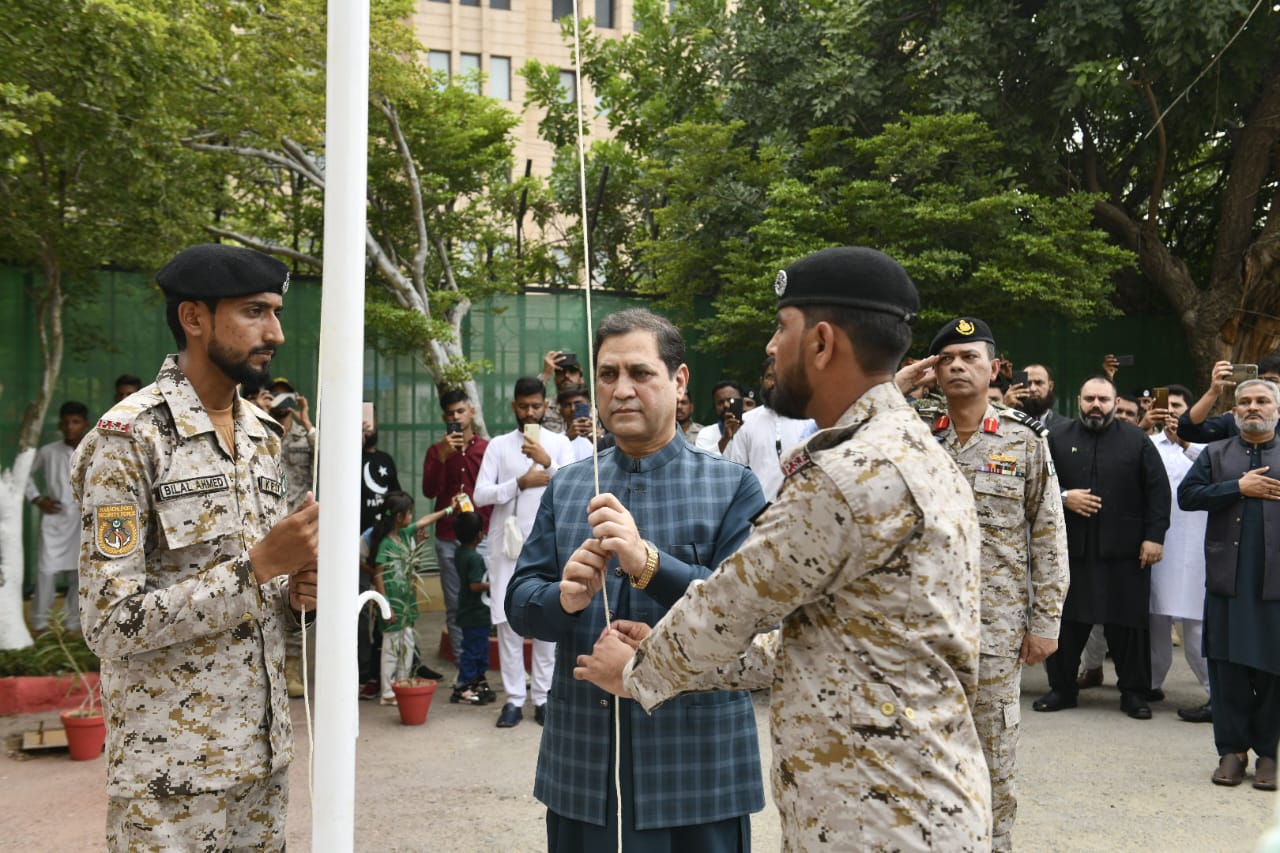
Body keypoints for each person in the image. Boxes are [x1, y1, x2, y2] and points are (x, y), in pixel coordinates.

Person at [571, 249, 991, 850]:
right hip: (907, 803)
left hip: (877, 819)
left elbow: (729, 606)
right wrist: (664, 650)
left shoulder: (851, 475)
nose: (770, 347)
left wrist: (638, 672)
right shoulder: (910, 449)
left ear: (820, 343)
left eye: (781, 328)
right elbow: (808, 645)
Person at [70, 244, 319, 851]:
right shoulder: (129, 439)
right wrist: (260, 567)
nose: (276, 333)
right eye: (255, 312)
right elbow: (109, 624)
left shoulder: (264, 436)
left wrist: (294, 595)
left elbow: (261, 595)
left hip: (262, 763)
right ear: (194, 318)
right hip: (171, 778)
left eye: (277, 313)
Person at [506, 307, 768, 850]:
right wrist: (565, 597)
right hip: (584, 768)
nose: (622, 389)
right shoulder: (567, 486)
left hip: (699, 771)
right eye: (608, 374)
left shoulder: (732, 488)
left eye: (640, 373)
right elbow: (521, 604)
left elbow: (748, 620)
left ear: (678, 380)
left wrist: (648, 563)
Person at [899, 317, 1069, 852]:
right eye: (945, 358)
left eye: (968, 357)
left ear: (993, 368)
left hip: (996, 633)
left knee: (994, 755)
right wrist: (898, 389)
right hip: (921, 630)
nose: (956, 366)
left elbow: (1048, 534)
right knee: (920, 753)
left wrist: (1046, 622)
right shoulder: (912, 432)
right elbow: (851, 438)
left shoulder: (1022, 441)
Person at [1035, 375, 1171, 719]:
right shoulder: (1056, 438)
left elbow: (1158, 492)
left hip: (1124, 552)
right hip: (1071, 551)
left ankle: (1134, 694)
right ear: (1078, 401)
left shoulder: (1137, 440)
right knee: (1066, 622)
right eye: (1089, 399)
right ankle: (1062, 689)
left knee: (1128, 626)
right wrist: (1065, 497)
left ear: (1113, 403)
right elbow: (1037, 483)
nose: (1096, 405)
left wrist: (1154, 537)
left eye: (1103, 399)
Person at [1178, 378, 1280, 790]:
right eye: (1244, 402)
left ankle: (1268, 752)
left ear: (1277, 408)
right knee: (1227, 668)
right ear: (1234, 411)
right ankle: (1232, 751)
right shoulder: (1217, 453)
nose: (1252, 407)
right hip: (1228, 579)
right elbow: (1188, 495)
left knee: (1275, 670)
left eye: (1262, 401)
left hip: (1275, 585)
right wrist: (1237, 487)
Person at [473, 377, 575, 728]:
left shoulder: (561, 444)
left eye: (535, 405)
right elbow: (480, 495)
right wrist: (519, 483)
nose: (529, 412)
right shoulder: (499, 446)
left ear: (545, 406)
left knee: (547, 621)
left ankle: (543, 697)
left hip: (550, 546)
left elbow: (575, 491)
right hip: (506, 547)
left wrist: (548, 463)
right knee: (508, 624)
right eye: (523, 406)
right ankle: (514, 699)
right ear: (514, 406)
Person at [1144, 384, 1212, 721]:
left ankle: (1217, 692)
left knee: (1197, 625)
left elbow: (1216, 469)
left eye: (1179, 407)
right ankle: (1150, 682)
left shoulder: (1207, 447)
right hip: (1157, 543)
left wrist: (1185, 440)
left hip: (1197, 545)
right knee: (1155, 618)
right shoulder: (1147, 443)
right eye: (1165, 405)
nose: (1171, 412)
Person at [421, 388, 492, 678]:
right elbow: (429, 491)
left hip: (481, 536)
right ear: (443, 417)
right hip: (449, 536)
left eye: (460, 411)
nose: (456, 418)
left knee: (484, 600)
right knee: (455, 602)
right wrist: (442, 456)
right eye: (450, 414)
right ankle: (464, 664)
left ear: (471, 411)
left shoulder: (486, 449)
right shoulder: (436, 452)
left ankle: (479, 662)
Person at [369, 490, 453, 705]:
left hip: (406, 603)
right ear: (399, 517)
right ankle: (388, 692)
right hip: (393, 605)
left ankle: (402, 683)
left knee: (407, 643)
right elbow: (378, 574)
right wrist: (386, 605)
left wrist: (449, 510)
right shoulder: (386, 544)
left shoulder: (404, 536)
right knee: (390, 648)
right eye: (409, 513)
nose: (412, 518)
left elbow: (426, 521)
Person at [25, 401, 90, 632]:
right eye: (66, 422)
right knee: (46, 573)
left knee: (78, 576)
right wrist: (38, 499)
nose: (71, 427)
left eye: (76, 422)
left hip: (84, 522)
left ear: (85, 423)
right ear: (60, 425)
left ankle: (72, 624)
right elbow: (25, 476)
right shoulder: (48, 451)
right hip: (54, 521)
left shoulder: (94, 448)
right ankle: (40, 623)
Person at [724, 356, 816, 502]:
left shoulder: (808, 420)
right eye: (770, 377)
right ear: (761, 381)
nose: (775, 383)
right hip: (757, 511)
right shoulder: (746, 421)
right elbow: (737, 471)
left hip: (799, 507)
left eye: (781, 376)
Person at [449, 510, 496, 706]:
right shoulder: (474, 559)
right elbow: (474, 585)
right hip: (476, 613)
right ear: (479, 535)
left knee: (477, 648)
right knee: (473, 650)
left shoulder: (460, 552)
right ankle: (463, 687)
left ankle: (476, 680)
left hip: (470, 612)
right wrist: (494, 584)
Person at [1178, 356, 1280, 444]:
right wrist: (1213, 392)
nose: (1263, 385)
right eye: (1258, 380)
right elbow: (1188, 430)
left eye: (1272, 381)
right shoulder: (1237, 418)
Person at [361, 405, 401, 534]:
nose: (367, 424)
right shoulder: (348, 461)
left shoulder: (385, 459)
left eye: (371, 418)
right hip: (354, 535)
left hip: (382, 533)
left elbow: (396, 497)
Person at [693, 379, 747, 455]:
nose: (725, 405)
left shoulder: (754, 429)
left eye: (730, 400)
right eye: (720, 402)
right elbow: (702, 462)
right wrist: (725, 438)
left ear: (743, 402)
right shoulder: (706, 433)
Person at [537, 350, 586, 433]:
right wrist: (545, 374)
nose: (566, 375)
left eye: (572, 371)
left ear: (581, 380)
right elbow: (530, 398)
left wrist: (599, 438)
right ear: (555, 379)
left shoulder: (590, 410)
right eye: (561, 372)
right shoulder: (545, 408)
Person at [1005, 363, 1065, 430]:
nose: (1033, 389)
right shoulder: (1007, 421)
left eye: (1039, 383)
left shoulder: (1066, 426)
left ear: (1050, 386)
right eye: (1028, 383)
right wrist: (1005, 409)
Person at [555, 383, 596, 461]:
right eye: (567, 405)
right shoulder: (554, 442)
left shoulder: (604, 438)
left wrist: (600, 442)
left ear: (590, 407)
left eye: (578, 404)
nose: (573, 409)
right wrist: (567, 439)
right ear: (560, 411)